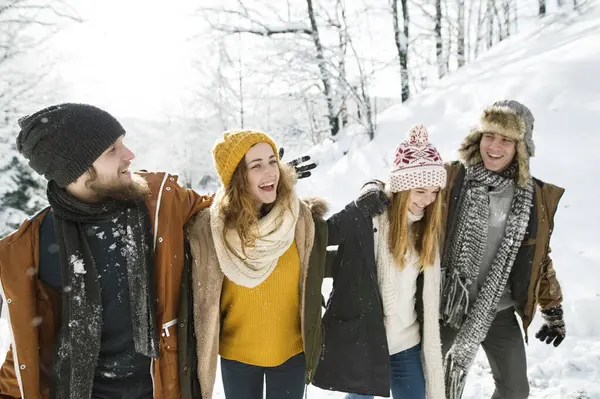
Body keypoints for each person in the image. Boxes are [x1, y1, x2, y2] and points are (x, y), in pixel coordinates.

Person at [0, 104, 315, 399]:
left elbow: (221, 214)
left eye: (123, 143)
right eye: (113, 150)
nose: (129, 155)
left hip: (161, 387)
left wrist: (265, 183)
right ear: (78, 171)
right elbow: (28, 344)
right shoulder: (33, 246)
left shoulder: (160, 202)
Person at [185, 129, 328, 399]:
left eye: (273, 161)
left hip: (291, 353)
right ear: (237, 177)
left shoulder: (298, 219)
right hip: (237, 356)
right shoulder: (212, 229)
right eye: (257, 165)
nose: (271, 171)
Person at [439, 100, 566, 399]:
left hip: (499, 309)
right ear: (477, 138)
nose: (494, 146)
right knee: (430, 387)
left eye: (506, 139)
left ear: (520, 148)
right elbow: (401, 188)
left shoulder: (533, 197)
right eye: (489, 135)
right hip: (446, 304)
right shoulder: (451, 178)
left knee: (515, 390)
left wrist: (553, 307)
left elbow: (538, 257)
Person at [312, 125, 446, 399]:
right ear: (401, 187)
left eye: (434, 192)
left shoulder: (426, 230)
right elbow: (321, 236)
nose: (428, 200)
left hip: (406, 343)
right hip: (365, 342)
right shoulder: (369, 218)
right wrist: (362, 200)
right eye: (420, 191)